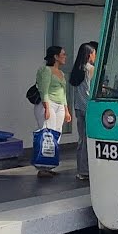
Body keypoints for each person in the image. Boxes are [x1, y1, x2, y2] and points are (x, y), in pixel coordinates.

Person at [34, 46, 70, 177]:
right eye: (63, 54)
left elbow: (63, 93)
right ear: (55, 56)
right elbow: (44, 90)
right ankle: (42, 167)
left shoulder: (61, 73)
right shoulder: (46, 70)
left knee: (56, 135)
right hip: (48, 104)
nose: (65, 56)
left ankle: (49, 166)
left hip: (60, 105)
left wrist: (66, 110)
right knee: (46, 135)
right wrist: (47, 108)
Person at [69, 42, 96, 182]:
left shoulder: (76, 70)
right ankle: (87, 170)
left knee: (81, 140)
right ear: (89, 54)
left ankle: (81, 170)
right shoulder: (90, 69)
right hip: (89, 108)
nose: (95, 56)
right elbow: (93, 89)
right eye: (94, 53)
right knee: (90, 140)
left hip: (79, 108)